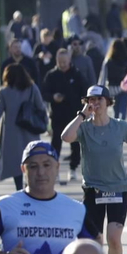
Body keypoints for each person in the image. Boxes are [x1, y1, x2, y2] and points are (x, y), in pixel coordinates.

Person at [62, 85, 127, 254]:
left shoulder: (120, 127)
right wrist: (82, 115)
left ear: (108, 102)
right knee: (94, 241)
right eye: (91, 99)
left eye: (99, 99)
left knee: (114, 239)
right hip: (93, 190)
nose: (95, 103)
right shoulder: (84, 128)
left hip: (118, 188)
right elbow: (66, 137)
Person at [41, 48, 87, 183]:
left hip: (74, 115)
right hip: (57, 115)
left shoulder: (77, 74)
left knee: (75, 144)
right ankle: (54, 170)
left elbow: (85, 92)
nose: (62, 64)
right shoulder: (51, 75)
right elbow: (44, 93)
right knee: (56, 143)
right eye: (60, 62)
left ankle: (73, 168)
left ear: (69, 60)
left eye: (65, 62)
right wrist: (53, 97)